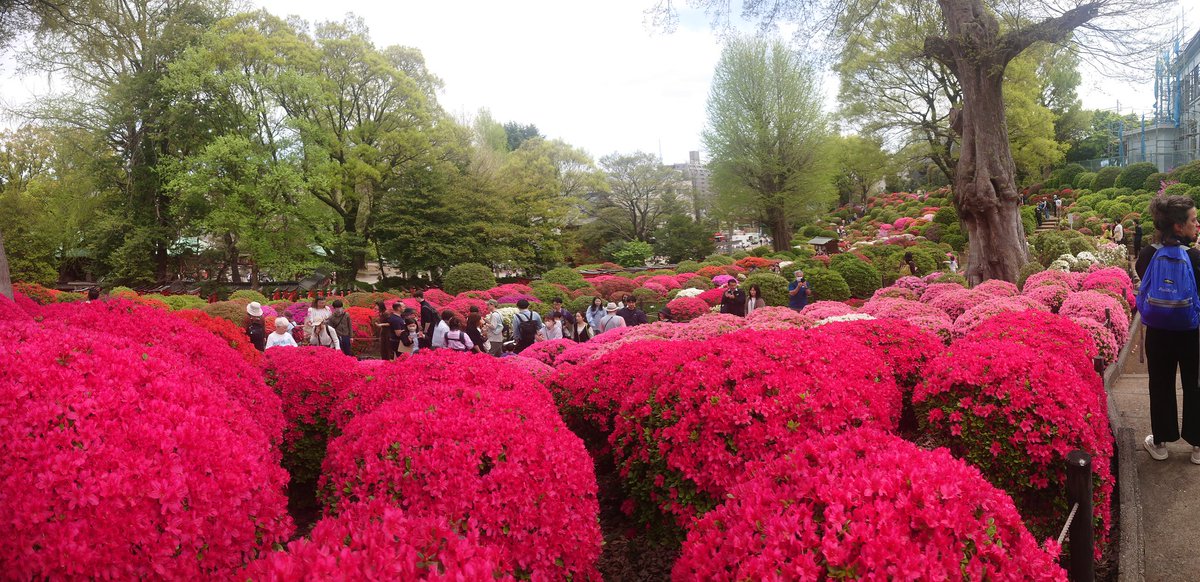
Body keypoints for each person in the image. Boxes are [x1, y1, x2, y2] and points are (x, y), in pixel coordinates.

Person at [1135, 194, 1200, 464]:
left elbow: (1143, 279)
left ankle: (1160, 442)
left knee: (1160, 384)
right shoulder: (1195, 257)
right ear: (1178, 226)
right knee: (1195, 384)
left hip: (1159, 332)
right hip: (1191, 332)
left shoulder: (1149, 253)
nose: (1197, 224)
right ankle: (1197, 446)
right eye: (1193, 220)